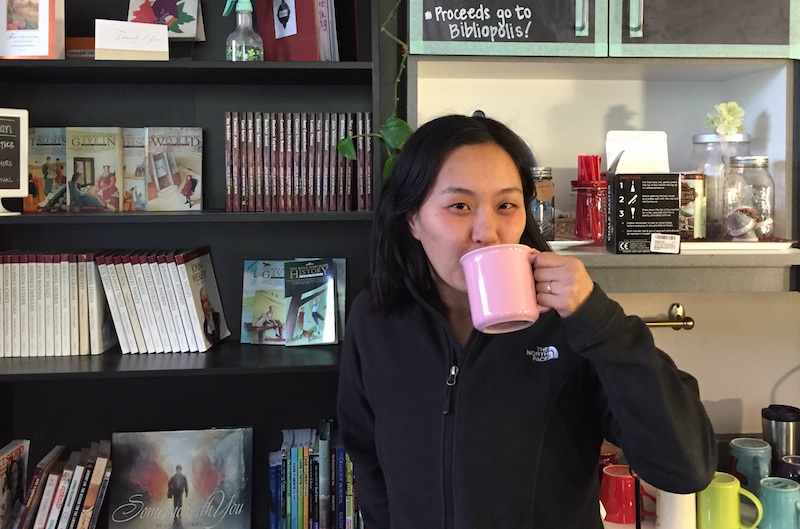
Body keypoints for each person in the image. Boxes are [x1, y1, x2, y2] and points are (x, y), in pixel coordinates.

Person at [336, 114, 717, 529]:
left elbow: (686, 467)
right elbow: (366, 455)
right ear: (412, 219)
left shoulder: (574, 324)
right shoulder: (376, 319)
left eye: (506, 205)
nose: (487, 232)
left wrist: (599, 321)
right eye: (459, 206)